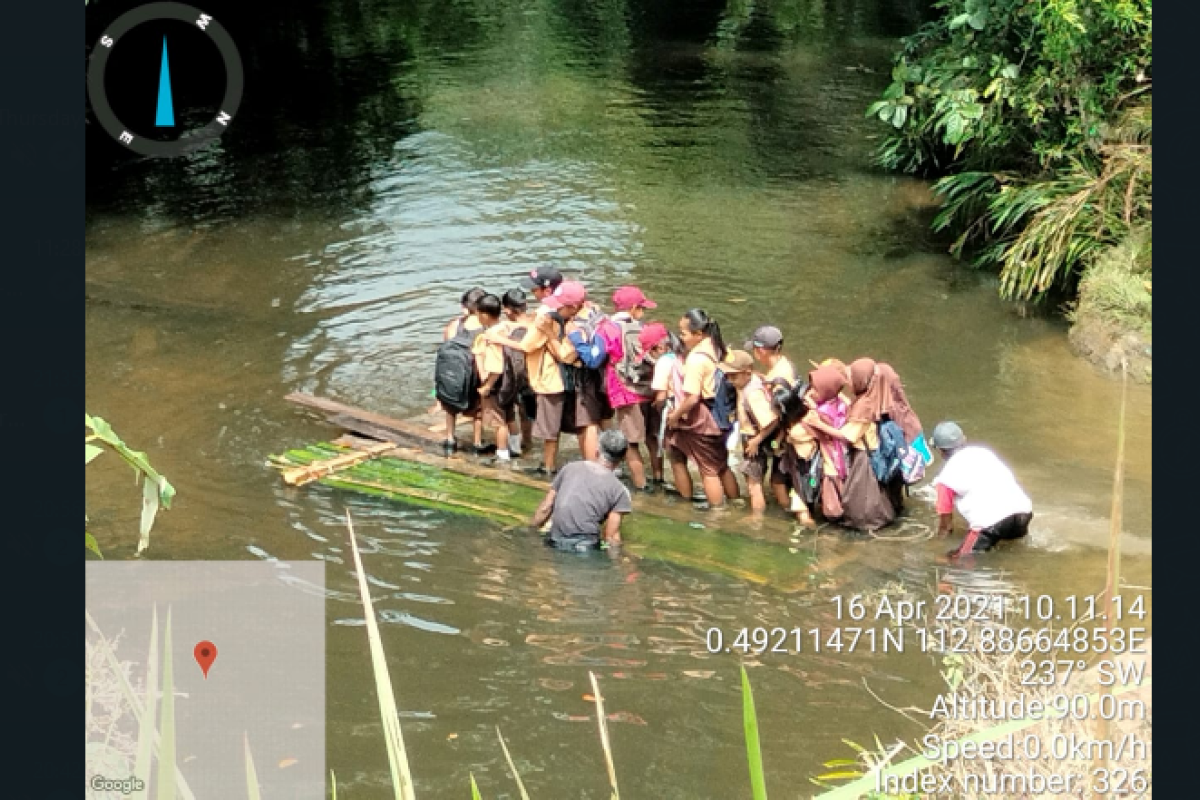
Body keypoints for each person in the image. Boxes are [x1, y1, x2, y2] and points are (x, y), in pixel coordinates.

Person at [481, 281, 587, 476]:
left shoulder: (548, 321)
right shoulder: (577, 320)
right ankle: (564, 461)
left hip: (549, 381)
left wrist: (499, 339)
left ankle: (547, 467)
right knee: (569, 426)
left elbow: (527, 346)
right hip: (568, 379)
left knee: (549, 429)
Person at [665, 309, 740, 508]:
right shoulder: (719, 348)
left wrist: (675, 416)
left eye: (683, 333)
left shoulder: (696, 359)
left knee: (709, 470)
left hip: (705, 418)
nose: (681, 337)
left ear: (698, 334)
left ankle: (717, 511)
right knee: (721, 465)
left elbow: (692, 398)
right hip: (723, 415)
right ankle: (736, 503)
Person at [930, 421, 1034, 556]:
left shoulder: (945, 479)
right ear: (964, 440)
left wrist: (936, 546)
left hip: (991, 522)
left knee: (955, 559)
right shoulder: (984, 452)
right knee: (1010, 552)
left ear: (939, 450)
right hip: (1023, 512)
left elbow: (946, 527)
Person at [531, 429, 634, 551]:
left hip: (554, 540)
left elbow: (546, 508)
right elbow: (611, 537)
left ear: (597, 451)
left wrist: (530, 530)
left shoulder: (569, 468)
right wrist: (617, 553)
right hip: (586, 547)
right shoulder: (620, 491)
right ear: (622, 459)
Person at [780, 363, 850, 527]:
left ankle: (831, 529)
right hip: (839, 458)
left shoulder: (817, 415)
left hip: (830, 463)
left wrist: (811, 414)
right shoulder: (840, 404)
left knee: (830, 505)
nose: (810, 393)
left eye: (815, 390)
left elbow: (799, 433)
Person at [607, 286, 659, 491]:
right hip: (651, 389)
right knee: (652, 438)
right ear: (634, 308)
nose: (643, 312)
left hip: (627, 391)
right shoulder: (644, 328)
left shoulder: (610, 327)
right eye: (642, 308)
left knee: (631, 442)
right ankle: (658, 478)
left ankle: (641, 485)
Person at [718, 350, 779, 512]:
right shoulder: (748, 382)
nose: (730, 380)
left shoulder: (753, 394)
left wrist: (756, 441)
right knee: (752, 479)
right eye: (728, 376)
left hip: (755, 441)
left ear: (747, 373)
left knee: (753, 485)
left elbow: (771, 420)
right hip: (752, 438)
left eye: (734, 376)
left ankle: (757, 517)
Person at [747, 325, 796, 508]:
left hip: (783, 437)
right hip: (789, 433)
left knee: (778, 481)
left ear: (760, 350)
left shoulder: (778, 379)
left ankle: (788, 514)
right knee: (784, 476)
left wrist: (762, 440)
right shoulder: (785, 364)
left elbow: (778, 416)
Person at [470, 294, 514, 460]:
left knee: (498, 421)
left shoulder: (490, 337)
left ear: (484, 315)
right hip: (510, 381)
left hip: (496, 384)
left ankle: (502, 454)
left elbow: (496, 367)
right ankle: (515, 445)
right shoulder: (505, 328)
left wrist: (487, 386)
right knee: (509, 415)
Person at [640, 323, 682, 486]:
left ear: (662, 347)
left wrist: (655, 404)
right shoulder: (680, 358)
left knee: (659, 442)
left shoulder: (663, 362)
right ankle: (662, 477)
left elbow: (661, 395)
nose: (649, 355)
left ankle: (662, 478)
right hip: (681, 406)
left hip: (667, 407)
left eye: (651, 350)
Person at [500, 288, 536, 455]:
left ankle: (523, 443)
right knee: (528, 413)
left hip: (519, 377)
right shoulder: (536, 323)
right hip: (536, 377)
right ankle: (528, 442)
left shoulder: (509, 330)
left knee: (515, 410)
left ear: (507, 310)